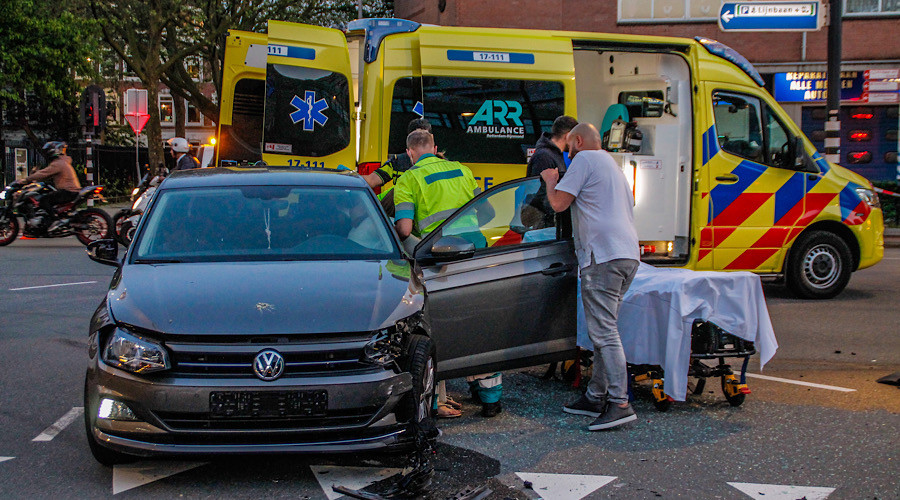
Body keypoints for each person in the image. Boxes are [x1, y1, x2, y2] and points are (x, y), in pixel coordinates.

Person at [394, 129, 503, 418]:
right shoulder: (463, 171)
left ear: (409, 153)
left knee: (440, 327)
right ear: (435, 147)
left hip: (440, 259)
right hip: (476, 252)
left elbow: (404, 229)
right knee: (482, 322)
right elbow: (488, 214)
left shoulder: (409, 178)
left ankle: (434, 400)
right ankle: (490, 397)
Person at [540, 122, 640, 431]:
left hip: (602, 257)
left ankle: (620, 403)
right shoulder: (612, 165)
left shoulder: (584, 160)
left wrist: (550, 180)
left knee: (604, 334)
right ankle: (596, 396)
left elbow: (558, 203)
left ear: (579, 141)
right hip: (626, 254)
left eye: (569, 146)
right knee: (605, 330)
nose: (566, 153)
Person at [362, 118, 433, 217]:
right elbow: (372, 180)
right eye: (416, 138)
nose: (420, 142)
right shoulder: (398, 162)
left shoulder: (441, 164)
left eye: (424, 139)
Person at [523, 115, 578, 230]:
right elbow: (539, 193)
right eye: (576, 138)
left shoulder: (554, 154)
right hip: (545, 226)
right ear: (568, 136)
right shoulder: (544, 156)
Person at [23, 141, 81, 228]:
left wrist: (26, 179)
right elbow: (46, 175)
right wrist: (35, 177)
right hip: (72, 191)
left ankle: (55, 220)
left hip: (67, 191)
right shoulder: (63, 162)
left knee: (43, 200)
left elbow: (43, 173)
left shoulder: (58, 164)